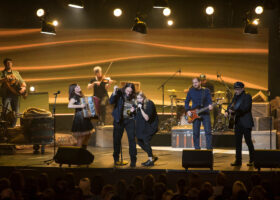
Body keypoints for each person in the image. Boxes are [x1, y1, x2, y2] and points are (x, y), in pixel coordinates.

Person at [224, 81, 255, 166]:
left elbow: (246, 108)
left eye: (237, 89)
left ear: (242, 89)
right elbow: (231, 105)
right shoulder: (235, 97)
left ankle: (252, 160)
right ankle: (238, 160)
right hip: (237, 122)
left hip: (246, 122)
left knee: (248, 141)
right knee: (237, 143)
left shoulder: (247, 96)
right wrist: (227, 111)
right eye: (235, 89)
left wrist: (234, 110)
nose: (236, 91)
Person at [109, 83, 137, 167]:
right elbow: (111, 101)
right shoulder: (119, 94)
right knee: (117, 140)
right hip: (119, 120)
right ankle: (116, 158)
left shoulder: (134, 97)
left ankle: (133, 160)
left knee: (132, 140)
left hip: (129, 120)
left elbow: (136, 108)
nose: (129, 93)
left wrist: (134, 110)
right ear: (125, 89)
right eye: (128, 91)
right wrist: (114, 91)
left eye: (131, 91)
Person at [185, 77, 213, 149]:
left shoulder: (206, 91)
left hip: (205, 113)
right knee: (196, 132)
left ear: (200, 82)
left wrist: (210, 106)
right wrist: (188, 110)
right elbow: (186, 101)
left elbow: (210, 101)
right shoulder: (190, 91)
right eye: (193, 83)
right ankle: (197, 148)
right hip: (195, 113)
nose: (194, 84)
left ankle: (209, 149)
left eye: (196, 82)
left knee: (208, 132)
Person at [132, 92, 158, 166]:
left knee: (146, 140)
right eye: (138, 98)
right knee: (139, 142)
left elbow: (146, 118)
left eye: (140, 98)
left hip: (150, 125)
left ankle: (150, 160)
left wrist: (141, 108)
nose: (139, 100)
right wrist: (131, 111)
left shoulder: (149, 104)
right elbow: (132, 115)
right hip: (141, 125)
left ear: (144, 98)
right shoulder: (136, 103)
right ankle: (152, 157)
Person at [0, 58, 26, 127]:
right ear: (5, 64)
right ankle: (5, 128)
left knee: (16, 112)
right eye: (7, 63)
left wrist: (23, 87)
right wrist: (4, 79)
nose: (9, 64)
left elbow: (22, 82)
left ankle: (12, 127)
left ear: (12, 64)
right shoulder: (2, 73)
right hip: (6, 95)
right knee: (5, 112)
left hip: (15, 95)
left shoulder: (16, 73)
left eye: (10, 63)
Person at [68, 83, 94, 149]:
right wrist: (80, 106)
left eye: (78, 86)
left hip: (85, 116)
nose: (79, 87)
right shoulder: (74, 96)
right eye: (76, 87)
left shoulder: (80, 95)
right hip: (80, 117)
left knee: (88, 134)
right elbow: (69, 105)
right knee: (81, 136)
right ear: (73, 90)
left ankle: (83, 150)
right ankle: (78, 152)